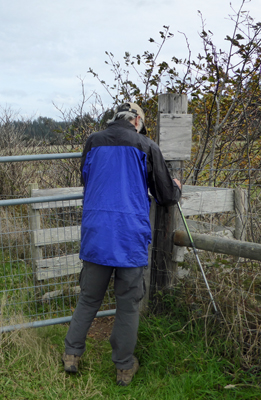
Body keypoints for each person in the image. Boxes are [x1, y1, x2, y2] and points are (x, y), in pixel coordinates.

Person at [62, 102, 182, 386]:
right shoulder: (145, 145)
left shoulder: (93, 142)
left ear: (115, 119)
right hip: (129, 237)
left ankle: (71, 355)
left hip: (97, 234)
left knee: (89, 298)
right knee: (128, 305)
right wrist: (176, 185)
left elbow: (87, 178)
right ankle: (124, 367)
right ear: (137, 120)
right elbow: (165, 195)